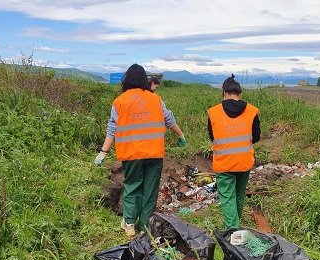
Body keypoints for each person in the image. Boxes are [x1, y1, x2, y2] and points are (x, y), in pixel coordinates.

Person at [94, 64, 186, 236]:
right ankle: (145, 226)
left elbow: (112, 128)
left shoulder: (120, 101)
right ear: (145, 80)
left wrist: (103, 152)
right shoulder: (155, 99)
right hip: (154, 153)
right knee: (150, 189)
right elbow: (169, 119)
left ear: (127, 80)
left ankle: (129, 224)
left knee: (133, 186)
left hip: (132, 154)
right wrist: (181, 135)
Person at [207, 74, 260, 229]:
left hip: (224, 163)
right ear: (240, 94)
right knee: (238, 195)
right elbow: (256, 137)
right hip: (244, 161)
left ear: (223, 93)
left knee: (227, 197)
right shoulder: (252, 111)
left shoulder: (214, 112)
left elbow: (213, 137)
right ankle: (235, 225)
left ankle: (232, 231)